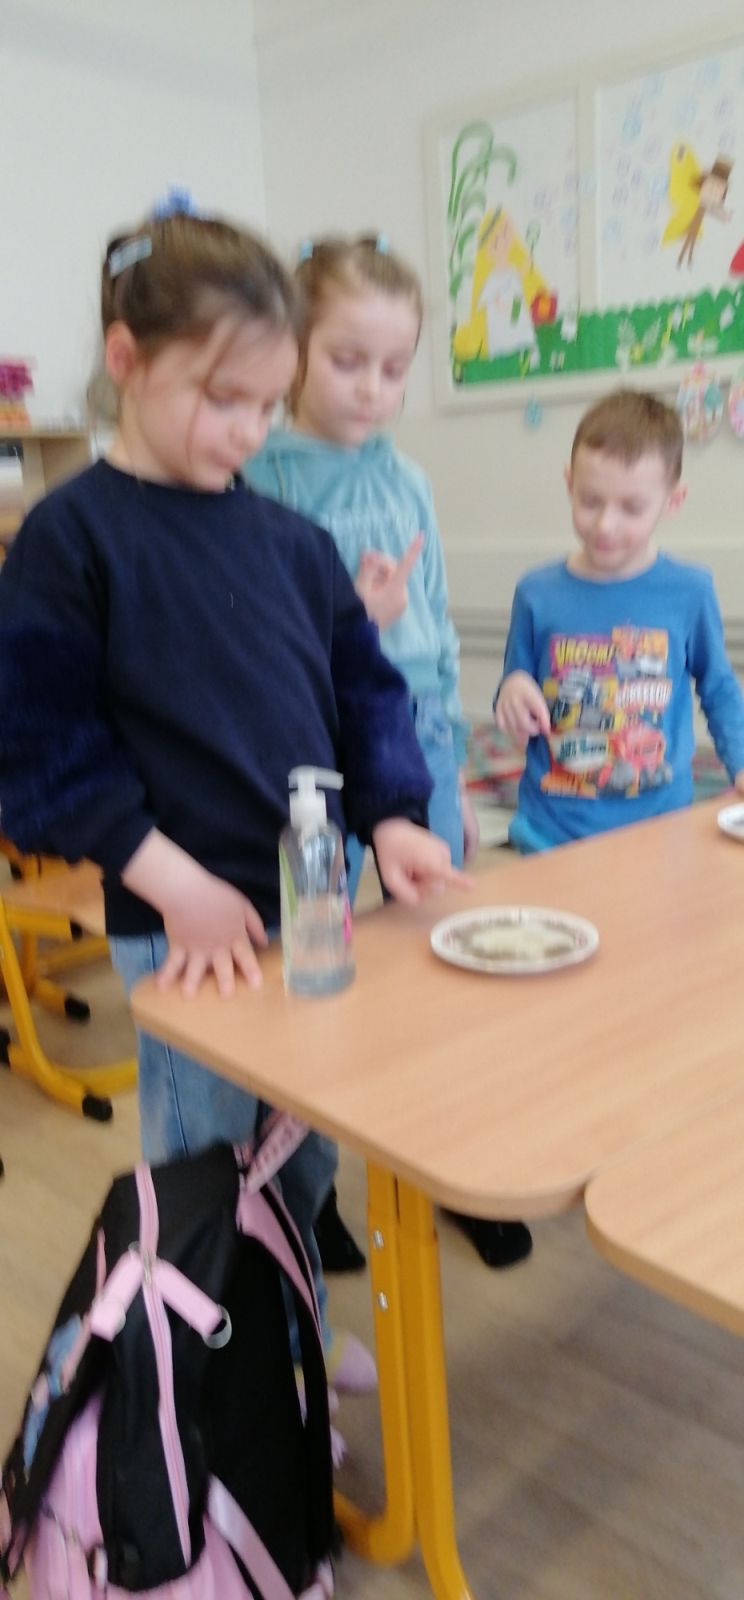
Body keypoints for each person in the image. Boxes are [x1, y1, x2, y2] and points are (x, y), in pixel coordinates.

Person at [0, 200, 468, 1417]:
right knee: (204, 1170)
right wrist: (174, 885)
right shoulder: (69, 539)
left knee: (304, 1152)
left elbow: (366, 694)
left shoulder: (290, 541)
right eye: (223, 398)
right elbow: (40, 753)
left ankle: (288, 1337)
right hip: (182, 926)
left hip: (313, 912)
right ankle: (202, 1388)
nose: (251, 429)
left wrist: (397, 816)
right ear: (127, 359)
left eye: (269, 402)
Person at [247, 232, 532, 1272]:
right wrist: (347, 619)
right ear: (293, 349)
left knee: (439, 951)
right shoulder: (262, 475)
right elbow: (258, 634)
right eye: (347, 360)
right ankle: (306, 1186)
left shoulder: (406, 476)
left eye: (395, 366)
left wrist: (447, 748)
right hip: (318, 749)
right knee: (323, 968)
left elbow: (437, 616)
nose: (373, 388)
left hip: (419, 738)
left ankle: (454, 1165)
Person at [495, 387, 744, 854]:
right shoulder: (536, 592)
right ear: (569, 483)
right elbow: (515, 681)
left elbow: (719, 688)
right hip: (550, 832)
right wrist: (512, 691)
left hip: (659, 831)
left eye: (631, 508)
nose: (605, 524)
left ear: (673, 501)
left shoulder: (690, 591)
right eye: (590, 500)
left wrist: (741, 764)